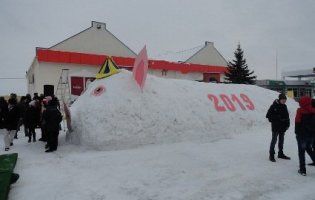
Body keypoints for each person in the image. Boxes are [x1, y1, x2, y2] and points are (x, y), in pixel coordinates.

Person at [266, 93, 290, 162]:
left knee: (281, 141)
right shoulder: (274, 106)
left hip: (282, 127)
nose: (284, 101)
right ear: (279, 99)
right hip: (275, 127)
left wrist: (287, 124)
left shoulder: (284, 106)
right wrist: (277, 117)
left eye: (285, 100)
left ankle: (280, 153)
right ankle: (271, 155)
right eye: (283, 100)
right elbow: (268, 115)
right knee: (274, 140)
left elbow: (287, 116)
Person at [295, 96, 315, 176]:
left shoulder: (300, 111)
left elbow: (297, 123)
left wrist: (297, 133)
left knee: (301, 152)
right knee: (309, 148)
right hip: (311, 136)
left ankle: (302, 170)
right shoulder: (313, 111)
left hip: (302, 136)